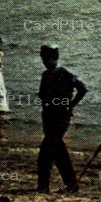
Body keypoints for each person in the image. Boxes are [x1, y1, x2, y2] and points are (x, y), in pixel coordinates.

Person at [36, 45, 87, 193]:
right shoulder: (45, 75)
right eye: (44, 59)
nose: (46, 62)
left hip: (60, 115)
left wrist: (71, 105)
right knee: (56, 150)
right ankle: (69, 184)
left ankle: (45, 186)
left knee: (47, 151)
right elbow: (42, 96)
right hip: (48, 115)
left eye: (48, 59)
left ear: (55, 58)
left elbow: (82, 89)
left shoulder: (64, 73)